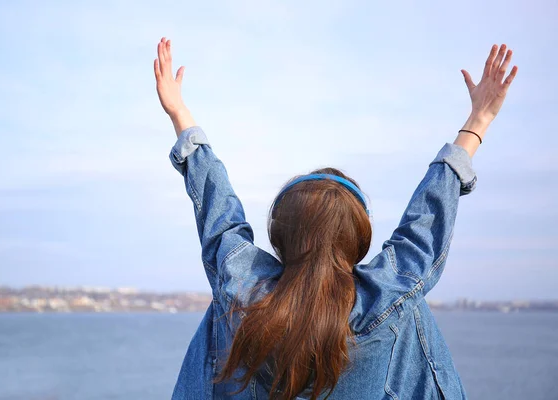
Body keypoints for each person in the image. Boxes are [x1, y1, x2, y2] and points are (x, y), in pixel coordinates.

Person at [154, 37, 518, 399]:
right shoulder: (383, 300)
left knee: (224, 307)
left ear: (279, 237)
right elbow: (424, 229)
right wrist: (478, 121)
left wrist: (180, 115)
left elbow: (221, 220)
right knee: (410, 308)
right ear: (358, 241)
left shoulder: (242, 292)